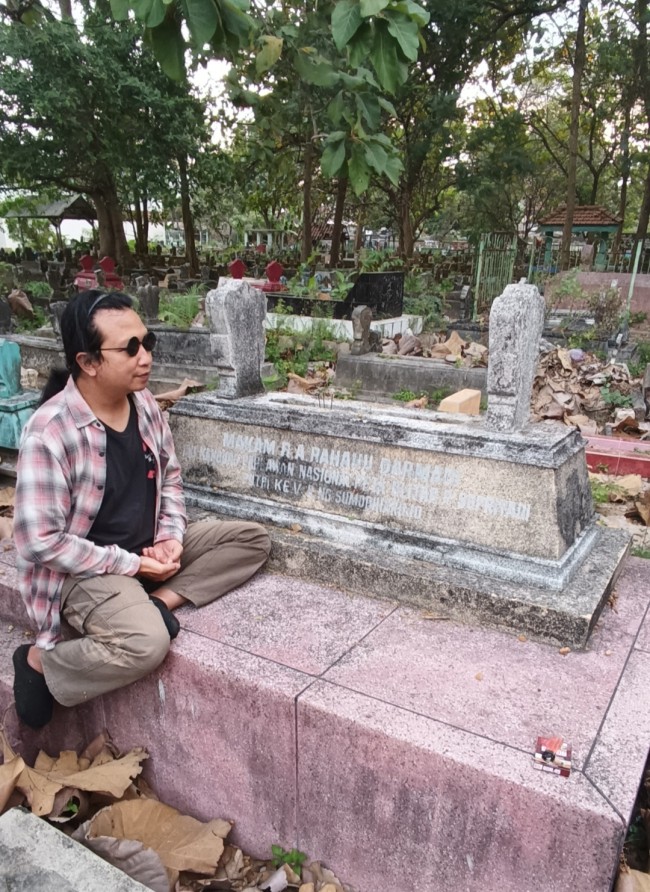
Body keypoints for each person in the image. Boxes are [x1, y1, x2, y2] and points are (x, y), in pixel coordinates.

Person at [12, 289, 271, 729]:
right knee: (147, 645)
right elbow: (41, 542)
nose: (145, 356)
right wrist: (131, 565)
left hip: (146, 547)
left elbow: (169, 475)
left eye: (146, 342)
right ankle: (40, 663)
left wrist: (170, 538)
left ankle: (160, 602)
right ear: (88, 362)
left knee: (252, 539)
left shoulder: (146, 404)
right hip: (87, 569)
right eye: (129, 348)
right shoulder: (50, 433)